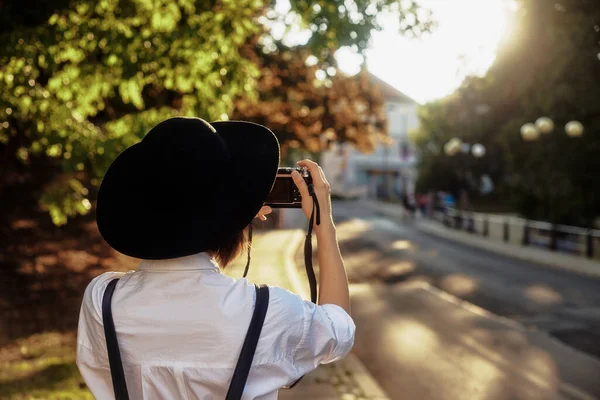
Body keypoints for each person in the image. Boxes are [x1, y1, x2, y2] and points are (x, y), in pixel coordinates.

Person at [76, 117, 355, 399]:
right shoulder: (269, 312)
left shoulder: (102, 301)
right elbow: (339, 331)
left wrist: (231, 216)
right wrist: (324, 227)